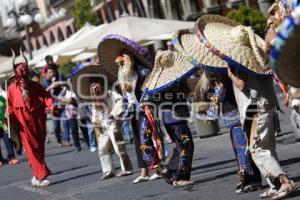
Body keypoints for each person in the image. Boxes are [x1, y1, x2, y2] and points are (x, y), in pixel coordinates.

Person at [172, 29, 262, 192]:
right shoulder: (223, 72)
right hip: (235, 114)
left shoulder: (223, 74)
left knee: (242, 147)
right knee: (242, 146)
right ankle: (249, 177)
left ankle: (249, 179)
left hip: (236, 114)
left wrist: (211, 114)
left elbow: (220, 96)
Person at [98, 35, 154, 183]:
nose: (119, 64)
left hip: (145, 109)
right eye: (118, 63)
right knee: (138, 141)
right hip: (133, 112)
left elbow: (150, 89)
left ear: (128, 58)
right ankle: (144, 171)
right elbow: (124, 98)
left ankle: (157, 166)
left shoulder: (141, 71)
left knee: (149, 137)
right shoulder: (123, 77)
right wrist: (118, 114)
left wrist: (146, 102)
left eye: (122, 61)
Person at [141, 51, 196, 187]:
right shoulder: (175, 77)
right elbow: (185, 93)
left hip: (167, 118)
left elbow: (146, 99)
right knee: (185, 146)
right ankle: (179, 176)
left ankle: (169, 170)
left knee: (179, 146)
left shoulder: (157, 80)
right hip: (176, 116)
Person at [7, 50, 53, 187]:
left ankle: (36, 175)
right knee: (30, 148)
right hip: (22, 122)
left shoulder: (35, 86)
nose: (22, 78)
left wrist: (50, 106)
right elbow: (9, 106)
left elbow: (46, 97)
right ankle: (42, 174)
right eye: (20, 75)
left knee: (39, 147)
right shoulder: (11, 89)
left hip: (37, 119)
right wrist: (8, 114)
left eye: (24, 74)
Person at [42, 65, 65, 147]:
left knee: (66, 122)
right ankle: (59, 140)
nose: (52, 73)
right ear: (47, 73)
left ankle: (67, 139)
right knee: (56, 125)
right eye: (50, 72)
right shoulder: (45, 81)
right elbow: (43, 92)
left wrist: (60, 85)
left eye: (53, 71)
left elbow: (66, 86)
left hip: (62, 104)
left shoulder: (60, 77)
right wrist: (50, 87)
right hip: (53, 106)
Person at [0, 95, 19, 166]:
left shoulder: (2, 98)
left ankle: (11, 158)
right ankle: (0, 160)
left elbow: (8, 107)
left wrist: (7, 112)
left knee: (8, 140)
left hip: (3, 124)